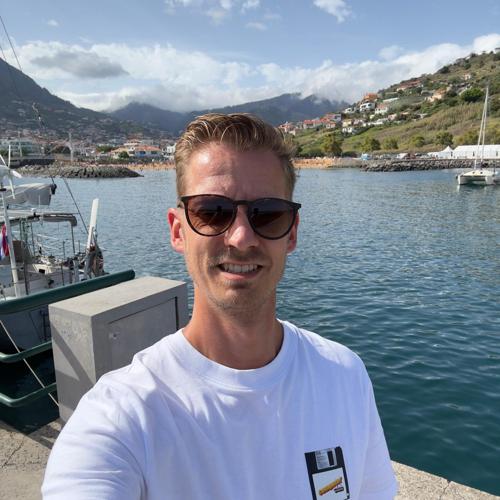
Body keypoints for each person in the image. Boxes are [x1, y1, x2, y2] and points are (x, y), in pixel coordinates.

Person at [42, 113, 397, 499]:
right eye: (211, 211)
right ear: (178, 231)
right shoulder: (121, 417)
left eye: (268, 214)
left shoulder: (344, 376)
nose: (241, 238)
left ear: (292, 233)